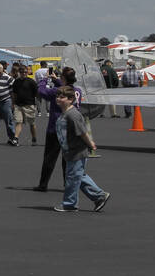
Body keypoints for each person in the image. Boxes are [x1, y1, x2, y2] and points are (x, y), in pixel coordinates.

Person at [53, 85, 110, 213]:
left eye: (62, 97)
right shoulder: (65, 113)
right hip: (69, 151)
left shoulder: (73, 115)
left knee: (72, 178)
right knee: (79, 176)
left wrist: (90, 144)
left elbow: (82, 132)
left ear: (70, 99)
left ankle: (70, 204)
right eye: (57, 96)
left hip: (76, 151)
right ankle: (99, 196)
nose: (58, 99)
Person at [34, 66, 78, 191]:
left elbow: (42, 91)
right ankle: (67, 184)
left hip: (56, 128)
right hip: (71, 129)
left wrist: (45, 78)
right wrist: (57, 80)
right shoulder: (76, 91)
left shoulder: (56, 92)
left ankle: (43, 184)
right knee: (67, 160)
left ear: (63, 77)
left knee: (50, 158)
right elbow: (66, 89)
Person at [11, 64, 38, 145]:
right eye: (22, 72)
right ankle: (16, 138)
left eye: (25, 72)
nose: (24, 73)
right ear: (19, 72)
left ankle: (34, 138)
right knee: (18, 122)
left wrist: (34, 104)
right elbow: (14, 93)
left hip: (29, 105)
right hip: (18, 105)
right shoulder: (16, 81)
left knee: (32, 123)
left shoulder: (31, 82)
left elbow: (36, 93)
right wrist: (13, 103)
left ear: (28, 72)